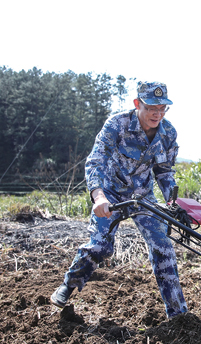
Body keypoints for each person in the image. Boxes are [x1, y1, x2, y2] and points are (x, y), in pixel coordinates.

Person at [50, 81, 188, 318]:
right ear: (138, 104)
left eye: (162, 108)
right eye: (152, 107)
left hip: (142, 197)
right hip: (110, 195)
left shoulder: (168, 133)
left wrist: (173, 203)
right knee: (101, 247)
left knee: (163, 247)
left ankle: (178, 316)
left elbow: (164, 172)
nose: (157, 113)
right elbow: (95, 161)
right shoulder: (117, 124)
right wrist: (98, 196)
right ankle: (69, 285)